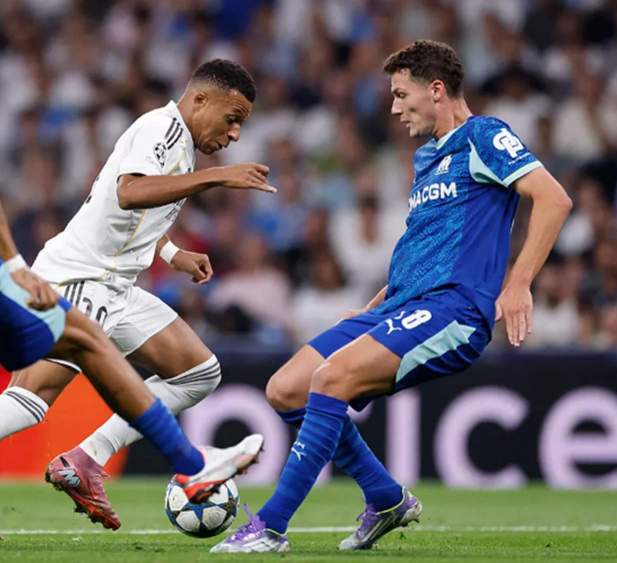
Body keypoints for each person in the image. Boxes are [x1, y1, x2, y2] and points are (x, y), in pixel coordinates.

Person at [0, 2, 263, 558]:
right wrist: (217, 179)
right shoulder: (161, 127)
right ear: (199, 98)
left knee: (199, 371)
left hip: (115, 284)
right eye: (232, 117)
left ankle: (85, 459)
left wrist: (173, 253)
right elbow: (130, 190)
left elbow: (116, 209)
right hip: (79, 277)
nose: (234, 133)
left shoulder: (176, 144)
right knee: (29, 401)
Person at [212, 39, 572, 554]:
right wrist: (379, 300)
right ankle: (385, 498)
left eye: (402, 95)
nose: (394, 107)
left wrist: (518, 284)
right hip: (400, 304)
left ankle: (270, 525)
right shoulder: (428, 158)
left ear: (437, 89)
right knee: (285, 388)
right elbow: (424, 244)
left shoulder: (484, 136)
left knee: (330, 378)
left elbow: (554, 198)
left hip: (453, 309)